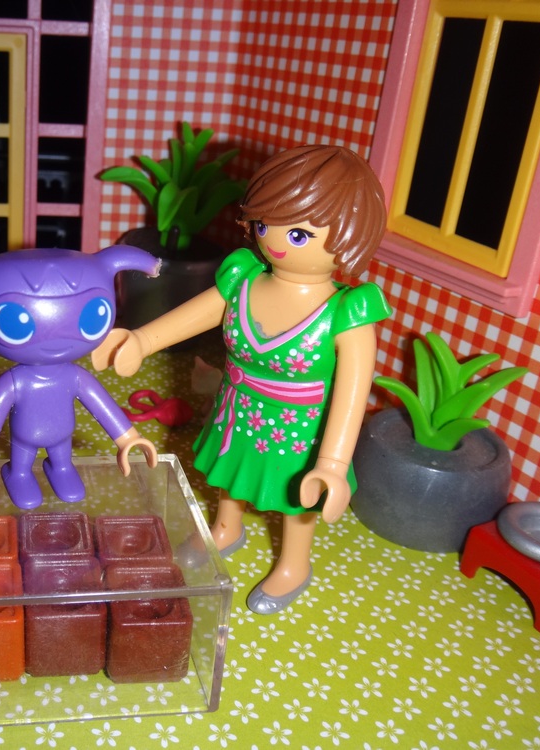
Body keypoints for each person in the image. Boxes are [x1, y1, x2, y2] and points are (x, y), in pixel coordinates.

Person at [92, 145, 391, 614]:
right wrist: (141, 340)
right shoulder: (244, 279)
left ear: (350, 234)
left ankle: (294, 564)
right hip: (238, 407)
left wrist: (333, 464)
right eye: (265, 224)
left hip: (300, 428)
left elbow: (352, 397)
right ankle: (226, 528)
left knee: (297, 498)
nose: (274, 241)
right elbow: (194, 315)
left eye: (299, 233)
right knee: (229, 472)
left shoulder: (347, 313)